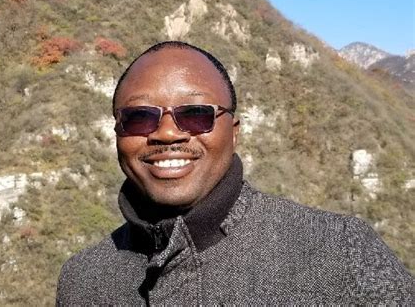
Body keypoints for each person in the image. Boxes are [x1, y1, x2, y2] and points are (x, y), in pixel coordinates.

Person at [56, 41, 414, 305]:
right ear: (117, 133)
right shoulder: (82, 280)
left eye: (196, 114)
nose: (166, 133)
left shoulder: (340, 252)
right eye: (139, 117)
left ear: (235, 132)